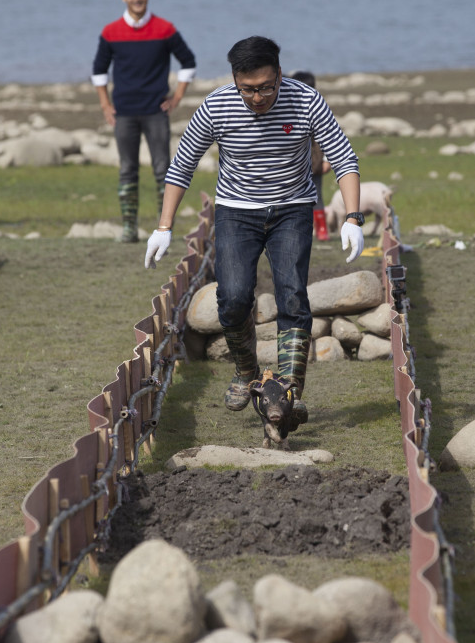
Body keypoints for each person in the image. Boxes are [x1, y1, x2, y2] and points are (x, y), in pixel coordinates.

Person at [143, 36, 365, 423]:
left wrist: (352, 216)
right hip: (236, 212)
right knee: (232, 299)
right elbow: (182, 165)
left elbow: (343, 156)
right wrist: (163, 227)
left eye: (265, 87)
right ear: (234, 79)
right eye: (248, 89)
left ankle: (289, 390)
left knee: (293, 297)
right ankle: (246, 372)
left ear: (279, 74)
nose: (257, 97)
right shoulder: (216, 105)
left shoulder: (306, 101)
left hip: (292, 209)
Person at [91, 0, 197, 243]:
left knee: (164, 169)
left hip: (156, 112)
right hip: (124, 112)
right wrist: (105, 103)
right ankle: (129, 228)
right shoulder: (110, 32)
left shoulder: (165, 29)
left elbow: (188, 62)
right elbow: (99, 71)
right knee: (127, 169)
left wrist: (177, 98)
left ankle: (165, 227)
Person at [291, 69, 332, 239]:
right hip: (293, 165)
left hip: (314, 164)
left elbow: (328, 138)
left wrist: (327, 160)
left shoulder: (318, 110)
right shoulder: (287, 110)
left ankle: (322, 230)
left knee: (317, 196)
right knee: (293, 197)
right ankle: (299, 230)